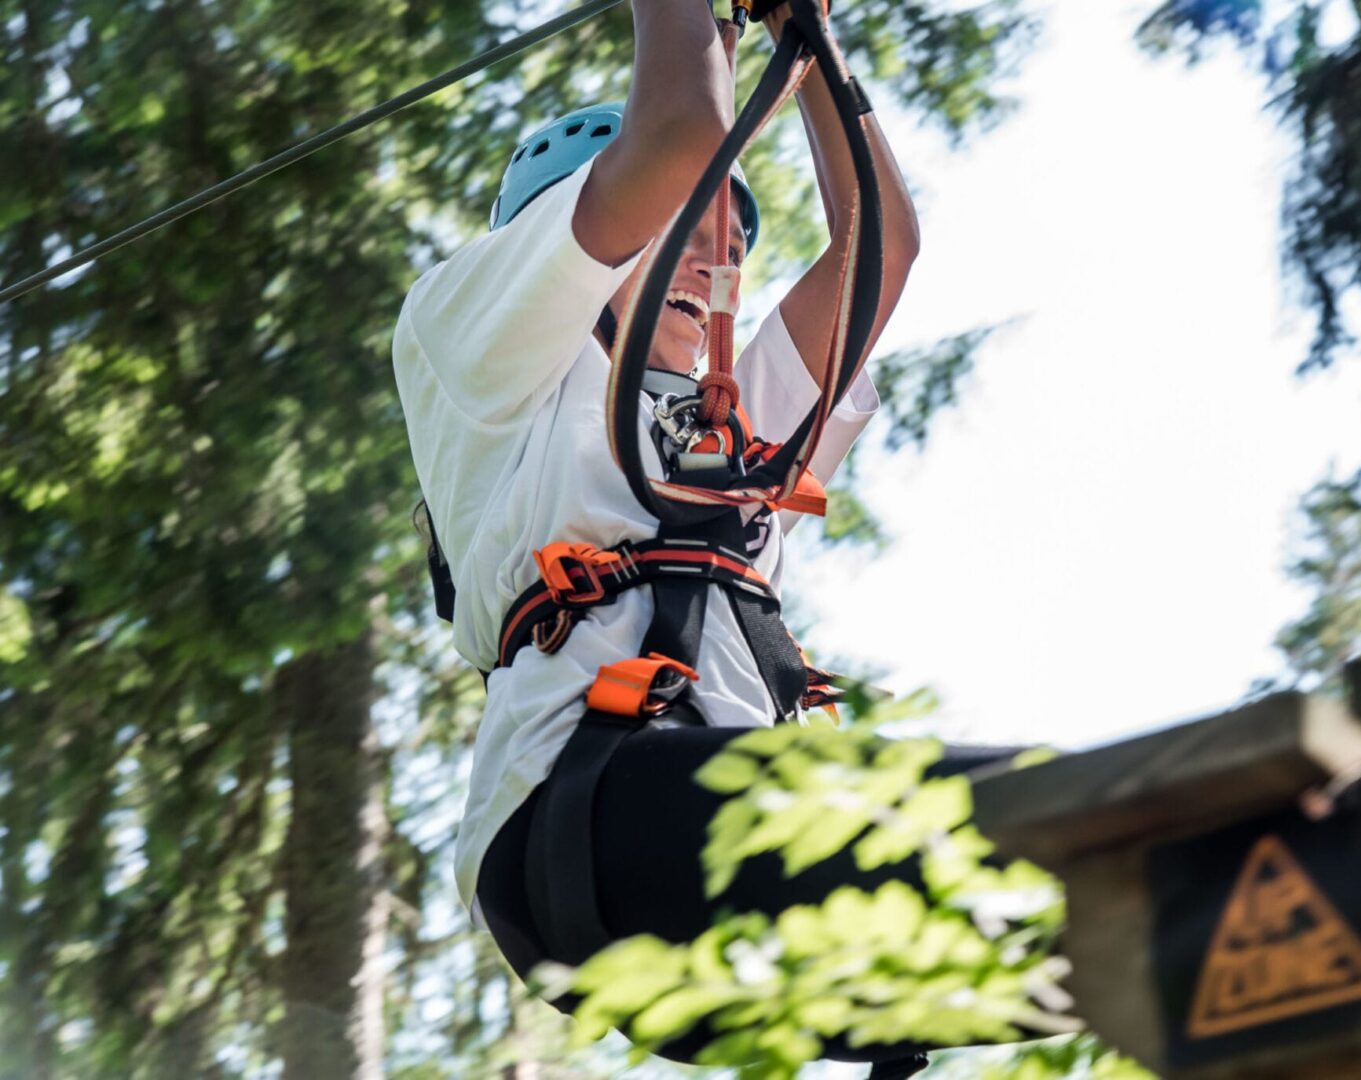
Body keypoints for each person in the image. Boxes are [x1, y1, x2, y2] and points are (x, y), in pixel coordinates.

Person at [392, 1, 1028, 1072]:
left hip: (717, 844)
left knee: (1080, 881)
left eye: (728, 247)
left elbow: (879, 251)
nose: (711, 263)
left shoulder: (725, 418)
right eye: (682, 232)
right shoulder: (483, 353)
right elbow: (680, 131)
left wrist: (805, 37)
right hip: (583, 810)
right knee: (1032, 817)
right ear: (554, 247)